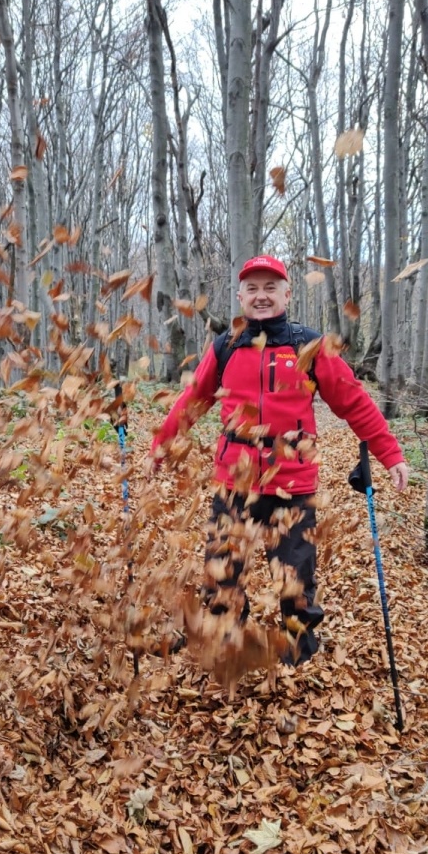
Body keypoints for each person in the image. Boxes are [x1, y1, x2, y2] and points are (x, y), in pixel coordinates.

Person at [149, 255, 409, 668]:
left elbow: (354, 401)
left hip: (294, 482)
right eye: (252, 288)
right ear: (240, 296)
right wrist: (160, 446)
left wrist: (390, 453)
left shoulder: (309, 346)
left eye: (271, 287)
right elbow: (192, 400)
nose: (261, 295)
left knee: (296, 577)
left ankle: (298, 656)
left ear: (287, 294)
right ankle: (225, 646)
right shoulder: (226, 346)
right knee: (222, 572)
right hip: (236, 480)